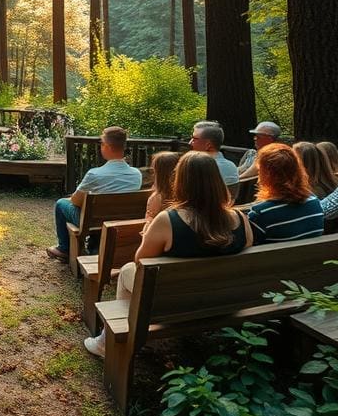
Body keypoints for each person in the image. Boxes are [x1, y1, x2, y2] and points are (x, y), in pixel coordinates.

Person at [84, 151, 253, 357]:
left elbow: (141, 260)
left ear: (180, 181)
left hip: (173, 302)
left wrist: (148, 233)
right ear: (217, 181)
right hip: (224, 300)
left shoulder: (168, 220)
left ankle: (109, 342)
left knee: (129, 270)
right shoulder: (241, 219)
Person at [47, 126, 142, 262]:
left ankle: (64, 249)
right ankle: (94, 246)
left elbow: (76, 202)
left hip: (94, 221)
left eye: (101, 143)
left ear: (107, 146)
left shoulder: (95, 174)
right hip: (120, 221)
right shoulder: (136, 174)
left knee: (62, 203)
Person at [246, 143, 324, 244]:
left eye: (260, 171)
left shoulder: (260, 213)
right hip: (312, 258)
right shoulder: (314, 202)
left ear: (267, 175)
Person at [189, 121, 240, 187]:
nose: (190, 143)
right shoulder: (231, 166)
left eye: (194, 139)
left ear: (208, 145)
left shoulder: (197, 168)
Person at [141, 151, 181, 232]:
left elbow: (149, 224)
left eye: (153, 171)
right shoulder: (184, 194)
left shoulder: (157, 197)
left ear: (158, 173)